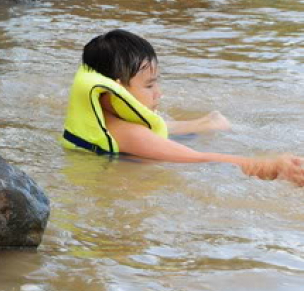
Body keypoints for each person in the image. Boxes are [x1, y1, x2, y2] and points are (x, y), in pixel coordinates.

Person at [62, 29, 304, 184]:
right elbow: (200, 159)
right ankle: (210, 123)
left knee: (172, 130)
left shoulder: (104, 117)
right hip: (151, 147)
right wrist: (269, 166)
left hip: (143, 144)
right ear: (113, 92)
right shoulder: (130, 134)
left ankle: (210, 123)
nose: (159, 93)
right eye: (149, 86)